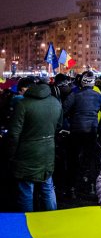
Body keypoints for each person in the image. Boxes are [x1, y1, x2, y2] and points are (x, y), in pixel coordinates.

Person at [7, 80, 63, 212]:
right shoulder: (55, 102)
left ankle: (28, 222)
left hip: (26, 152)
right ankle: (52, 218)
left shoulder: (23, 104)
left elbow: (14, 134)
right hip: (48, 150)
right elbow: (59, 126)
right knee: (47, 186)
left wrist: (10, 154)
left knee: (26, 190)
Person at [63, 71, 101, 198]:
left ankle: (72, 188)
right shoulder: (98, 96)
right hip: (91, 132)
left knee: (73, 160)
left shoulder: (74, 95)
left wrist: (70, 120)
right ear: (93, 82)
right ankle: (91, 187)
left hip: (75, 131)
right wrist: (100, 126)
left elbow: (64, 111)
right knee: (90, 160)